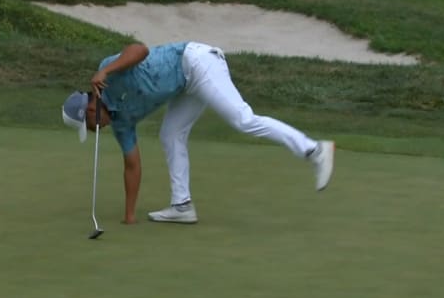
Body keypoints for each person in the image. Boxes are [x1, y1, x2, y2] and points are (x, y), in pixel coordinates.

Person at [61, 41, 334, 225]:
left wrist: (105, 70)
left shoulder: (108, 71)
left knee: (243, 120)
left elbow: (140, 49)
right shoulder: (121, 124)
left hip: (196, 62)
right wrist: (129, 215)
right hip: (185, 87)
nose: (98, 130)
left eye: (91, 126)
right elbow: (132, 165)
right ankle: (182, 206)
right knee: (170, 135)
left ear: (90, 110)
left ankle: (314, 150)